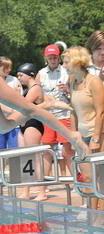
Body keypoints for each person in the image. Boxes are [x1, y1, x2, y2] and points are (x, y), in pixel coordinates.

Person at [64, 46, 104, 209]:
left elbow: (101, 111)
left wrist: (95, 138)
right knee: (88, 179)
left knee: (101, 179)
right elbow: (73, 110)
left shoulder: (94, 81)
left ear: (76, 62)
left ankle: (98, 218)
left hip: (99, 135)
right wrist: (74, 136)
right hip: (82, 136)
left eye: (66, 62)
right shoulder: (73, 82)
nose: (64, 66)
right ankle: (92, 216)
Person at [36, 44, 74, 177]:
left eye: (55, 57)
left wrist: (68, 90)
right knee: (47, 151)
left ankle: (77, 182)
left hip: (64, 115)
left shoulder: (67, 71)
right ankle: (43, 187)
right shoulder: (40, 74)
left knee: (67, 151)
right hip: (48, 116)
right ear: (46, 57)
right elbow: (36, 96)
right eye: (50, 57)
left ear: (59, 57)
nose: (53, 60)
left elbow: (76, 95)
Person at [15, 63, 47, 201]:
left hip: (33, 124)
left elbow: (23, 105)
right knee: (25, 158)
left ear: (31, 75)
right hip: (24, 124)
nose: (19, 78)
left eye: (21, 75)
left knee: (35, 158)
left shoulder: (35, 88)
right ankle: (26, 190)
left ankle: (41, 191)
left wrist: (15, 95)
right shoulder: (27, 89)